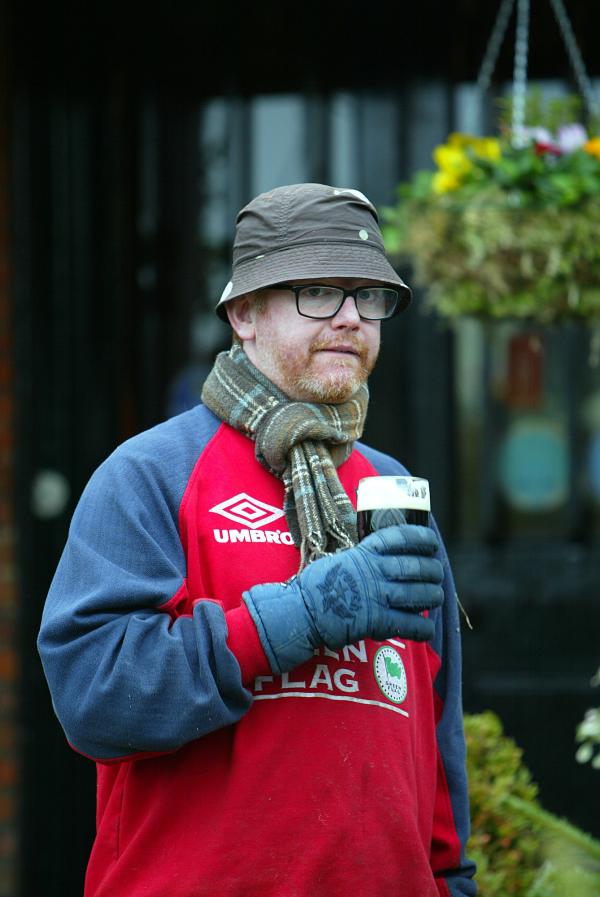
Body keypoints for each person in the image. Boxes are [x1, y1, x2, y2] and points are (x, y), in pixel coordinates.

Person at [38, 183, 477, 897]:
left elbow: (433, 734)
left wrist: (451, 882)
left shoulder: (393, 486)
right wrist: (293, 619)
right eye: (316, 290)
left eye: (369, 296)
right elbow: (94, 697)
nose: (348, 317)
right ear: (242, 313)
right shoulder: (151, 475)